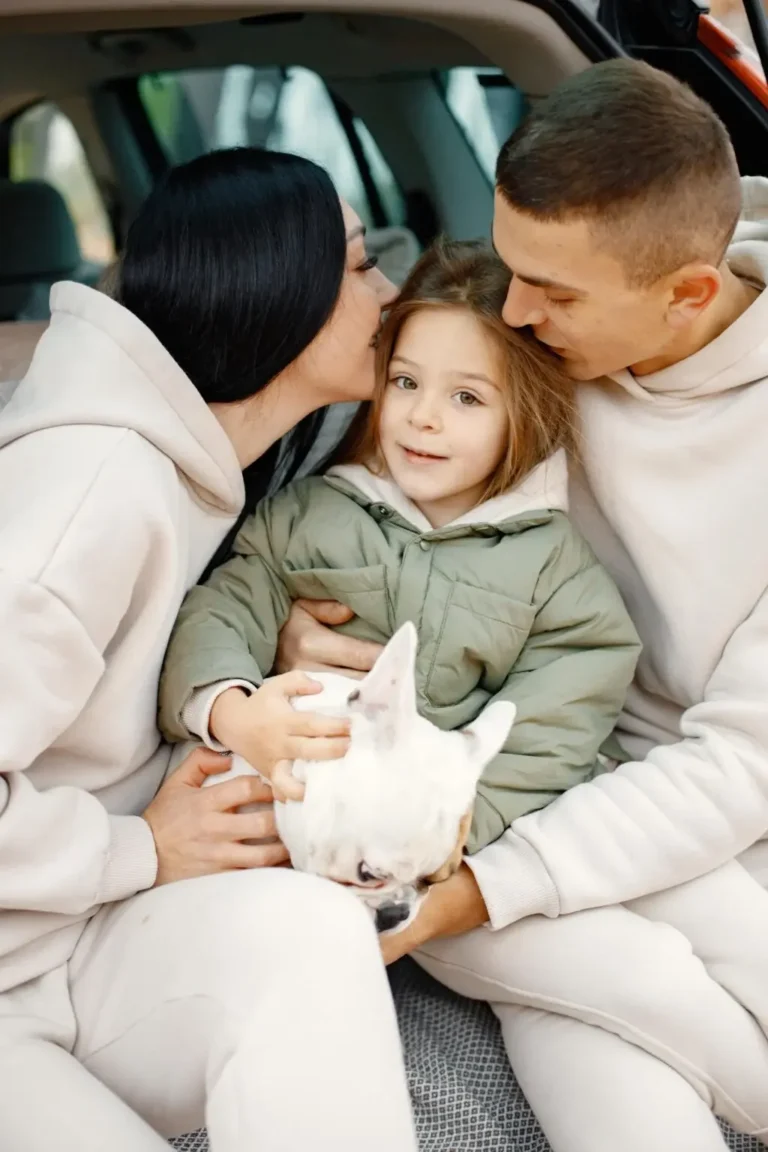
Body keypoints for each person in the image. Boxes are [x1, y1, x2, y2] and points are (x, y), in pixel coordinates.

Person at [274, 61, 768, 1151]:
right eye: (507, 266)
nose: (511, 313)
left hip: (715, 809)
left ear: (689, 291)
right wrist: (316, 632)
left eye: (553, 289)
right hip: (506, 772)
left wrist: (488, 890)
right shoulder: (528, 351)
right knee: (618, 1102)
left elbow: (742, 767)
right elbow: (375, 520)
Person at [0, 147, 417, 1152]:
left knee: (312, 936)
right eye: (361, 266)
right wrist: (142, 845)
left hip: (79, 939)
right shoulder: (93, 490)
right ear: (282, 287)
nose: (392, 294)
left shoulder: (210, 462)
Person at [157, 239, 640, 849]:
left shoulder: (552, 566)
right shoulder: (309, 514)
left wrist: (456, 824)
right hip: (300, 808)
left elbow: (557, 718)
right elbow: (221, 609)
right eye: (406, 382)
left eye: (466, 397)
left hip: (450, 838)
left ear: (525, 411)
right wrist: (232, 709)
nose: (423, 417)